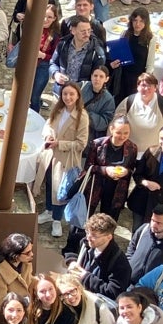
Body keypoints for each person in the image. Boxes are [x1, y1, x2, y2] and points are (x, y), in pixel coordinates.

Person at [35, 80, 89, 238]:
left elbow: (81, 143)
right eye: (65, 94)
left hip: (66, 159)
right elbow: (47, 125)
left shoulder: (82, 116)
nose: (68, 97)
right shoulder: (58, 109)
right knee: (49, 183)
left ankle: (57, 220)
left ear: (78, 95)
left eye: (72, 94)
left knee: (61, 189)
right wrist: (48, 135)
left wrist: (60, 143)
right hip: (50, 154)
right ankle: (49, 211)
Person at [82, 116, 140, 226]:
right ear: (111, 129)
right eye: (119, 132)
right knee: (84, 219)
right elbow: (88, 167)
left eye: (126, 133)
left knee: (108, 223)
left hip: (116, 190)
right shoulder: (97, 144)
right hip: (95, 186)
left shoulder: (132, 148)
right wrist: (105, 170)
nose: (122, 136)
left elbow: (131, 169)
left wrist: (126, 172)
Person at [115, 72, 163, 154]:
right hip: (129, 154)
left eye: (149, 86)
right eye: (143, 85)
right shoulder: (128, 102)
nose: (146, 89)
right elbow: (114, 126)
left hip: (154, 155)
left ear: (155, 88)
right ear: (137, 87)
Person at [127, 204, 163, 281]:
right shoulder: (143, 230)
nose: (153, 225)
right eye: (152, 220)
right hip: (128, 282)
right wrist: (129, 266)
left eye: (159, 223)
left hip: (150, 289)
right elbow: (131, 248)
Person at [0, 234, 34, 315]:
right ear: (15, 256)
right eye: (27, 253)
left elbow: (30, 281)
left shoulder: (26, 265)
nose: (32, 254)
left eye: (31, 250)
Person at [109, 6, 154, 101]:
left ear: (146, 23)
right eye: (135, 20)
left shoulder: (150, 39)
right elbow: (119, 55)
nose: (138, 24)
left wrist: (145, 81)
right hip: (122, 75)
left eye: (141, 21)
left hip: (137, 78)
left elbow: (150, 64)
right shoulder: (125, 34)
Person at [83, 65, 116, 141]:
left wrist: (86, 115)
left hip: (90, 135)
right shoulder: (82, 86)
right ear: (91, 76)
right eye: (95, 75)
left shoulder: (109, 99)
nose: (97, 79)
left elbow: (105, 122)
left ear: (106, 79)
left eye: (101, 77)